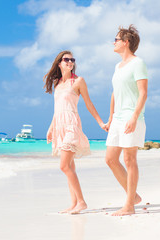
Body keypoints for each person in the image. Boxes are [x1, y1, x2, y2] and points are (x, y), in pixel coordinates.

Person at [45, 50, 106, 214]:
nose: (70, 62)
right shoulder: (57, 83)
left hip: (71, 125)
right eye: (66, 59)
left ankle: (81, 202)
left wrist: (100, 122)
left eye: (72, 60)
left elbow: (89, 103)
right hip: (59, 127)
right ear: (59, 63)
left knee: (64, 166)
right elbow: (57, 109)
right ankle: (74, 203)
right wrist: (51, 128)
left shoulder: (78, 81)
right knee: (70, 167)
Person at [105, 25, 148, 216]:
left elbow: (143, 93)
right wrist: (111, 117)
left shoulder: (138, 63)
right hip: (118, 119)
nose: (113, 42)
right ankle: (134, 197)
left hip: (132, 118)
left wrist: (134, 117)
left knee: (129, 159)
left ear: (126, 42)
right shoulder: (118, 66)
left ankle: (129, 205)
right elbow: (115, 93)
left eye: (116, 39)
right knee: (110, 159)